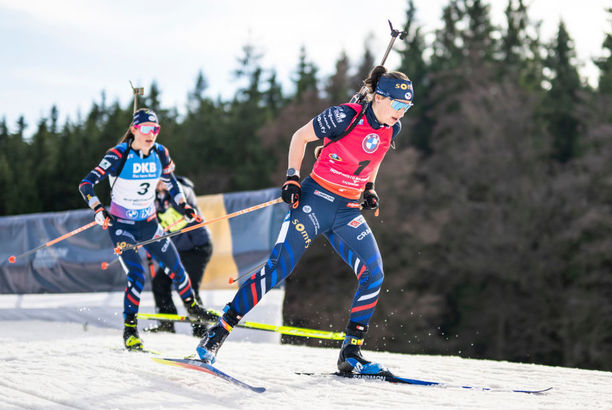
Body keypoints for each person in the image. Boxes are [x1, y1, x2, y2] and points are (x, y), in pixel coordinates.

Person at [196, 66, 414, 375]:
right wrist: (292, 178)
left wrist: (369, 187)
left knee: (374, 273)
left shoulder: (392, 128)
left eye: (406, 108)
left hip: (347, 210)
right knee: (278, 268)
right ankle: (216, 334)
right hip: (315, 201)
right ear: (379, 97)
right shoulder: (345, 115)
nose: (401, 113)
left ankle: (350, 354)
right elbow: (300, 137)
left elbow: (373, 158)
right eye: (397, 105)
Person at [78, 108, 219, 350]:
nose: (150, 134)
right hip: (123, 227)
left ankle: (193, 309)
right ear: (134, 130)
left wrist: (184, 206)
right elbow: (86, 184)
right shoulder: (118, 155)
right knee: (137, 275)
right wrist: (99, 209)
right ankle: (130, 331)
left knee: (177, 267)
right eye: (145, 128)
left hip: (149, 225)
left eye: (155, 129)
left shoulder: (161, 153)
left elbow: (171, 182)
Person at [145, 176, 213, 337]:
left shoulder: (180, 190)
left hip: (197, 248)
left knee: (189, 288)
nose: (157, 183)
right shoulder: (153, 199)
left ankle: (201, 330)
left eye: (161, 179)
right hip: (178, 250)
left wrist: (172, 189)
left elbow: (186, 196)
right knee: (160, 284)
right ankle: (166, 324)